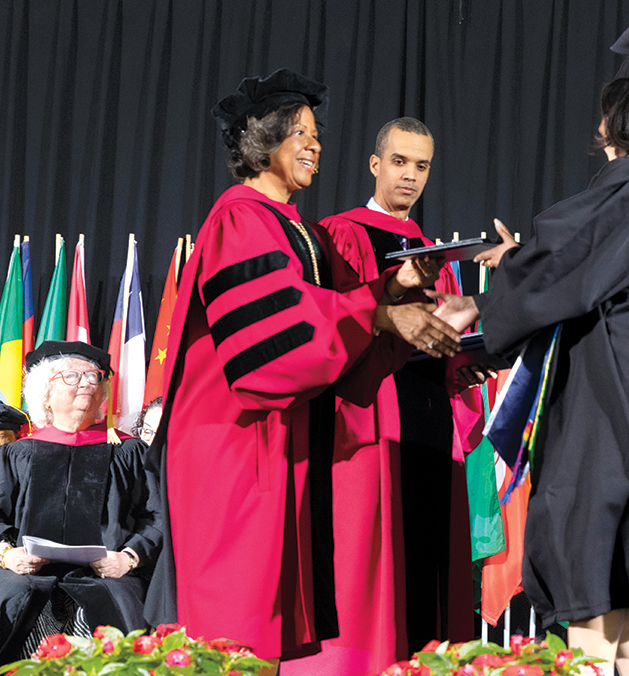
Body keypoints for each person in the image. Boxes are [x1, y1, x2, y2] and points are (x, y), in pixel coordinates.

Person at [434, 22, 629, 676]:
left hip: (619, 412)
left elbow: (562, 257)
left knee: (592, 606)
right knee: (626, 616)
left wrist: (479, 308)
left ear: (625, 113)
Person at [143, 69, 461, 663]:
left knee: (270, 631)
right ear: (263, 143)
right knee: (234, 625)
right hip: (235, 446)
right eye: (299, 134)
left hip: (280, 444)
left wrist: (398, 290)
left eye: (316, 134)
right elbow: (283, 344)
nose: (314, 145)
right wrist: (381, 312)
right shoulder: (241, 217)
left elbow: (341, 327)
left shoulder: (295, 228)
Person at [301, 118, 478, 673]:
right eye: (399, 162)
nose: (410, 176)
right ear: (376, 164)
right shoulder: (338, 233)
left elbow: (445, 326)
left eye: (421, 166)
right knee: (366, 552)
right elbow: (336, 322)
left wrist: (463, 363)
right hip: (369, 411)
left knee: (425, 558)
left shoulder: (432, 249)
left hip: (426, 410)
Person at [0, 341, 161, 663]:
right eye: (71, 376)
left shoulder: (128, 452)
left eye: (94, 376)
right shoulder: (17, 454)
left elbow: (157, 516)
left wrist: (129, 558)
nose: (87, 382)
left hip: (109, 576)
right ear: (45, 392)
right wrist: (7, 554)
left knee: (125, 612)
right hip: (25, 575)